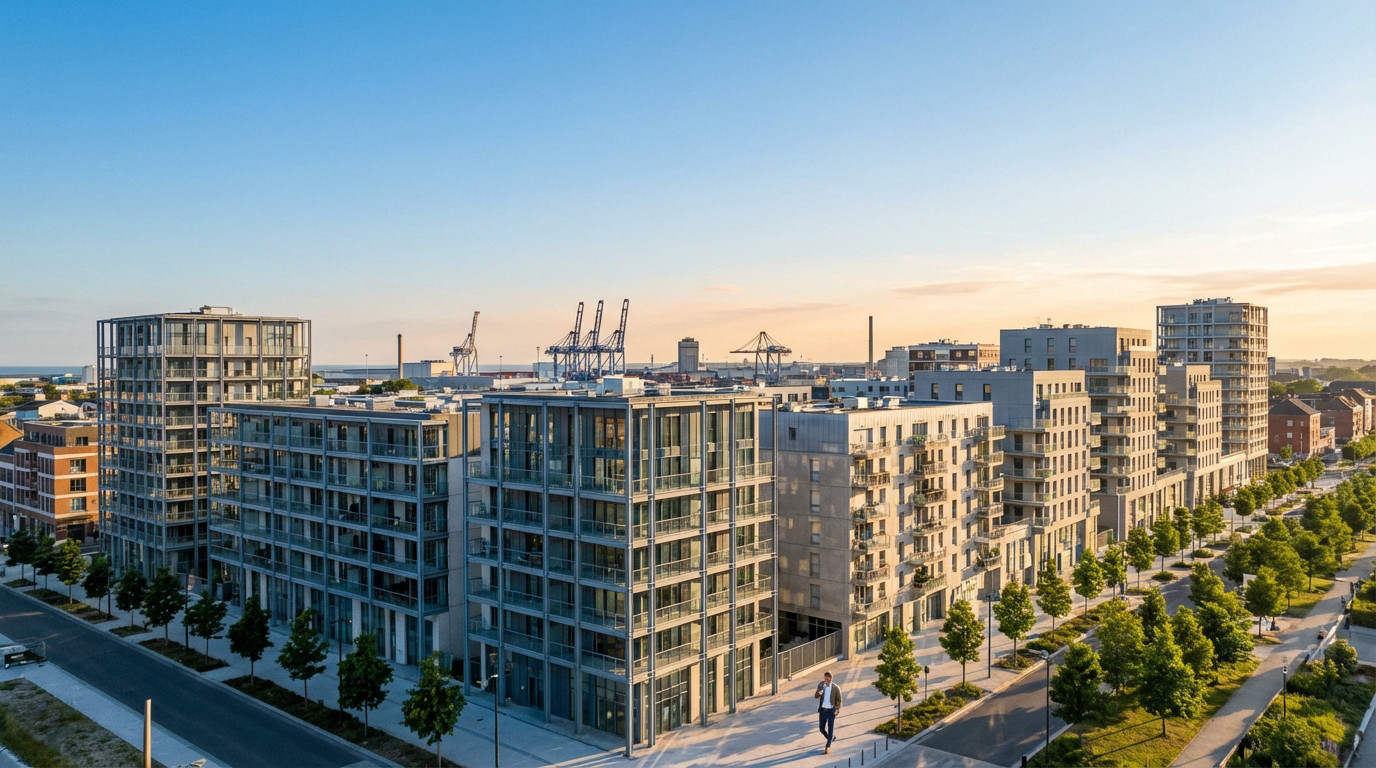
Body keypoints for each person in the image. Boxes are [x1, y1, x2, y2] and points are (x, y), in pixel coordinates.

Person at [814, 671, 843, 754]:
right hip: (823, 711)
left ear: (831, 679)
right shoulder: (821, 685)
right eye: (825, 679)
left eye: (828, 679)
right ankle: (830, 738)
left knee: (830, 729)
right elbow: (815, 696)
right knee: (821, 729)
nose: (826, 681)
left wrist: (837, 710)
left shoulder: (835, 688)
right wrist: (818, 693)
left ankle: (828, 746)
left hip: (831, 711)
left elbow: (839, 700)